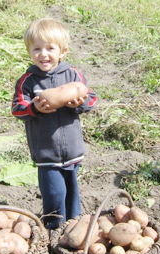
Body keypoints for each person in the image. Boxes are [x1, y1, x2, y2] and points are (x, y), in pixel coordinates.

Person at [12, 18, 98, 230]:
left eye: (50, 48)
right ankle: (53, 228)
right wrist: (34, 108)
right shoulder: (28, 81)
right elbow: (17, 108)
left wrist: (80, 103)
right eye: (37, 49)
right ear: (29, 51)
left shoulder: (73, 75)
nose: (43, 54)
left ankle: (73, 226)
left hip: (72, 149)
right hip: (46, 152)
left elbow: (92, 98)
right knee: (54, 192)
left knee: (71, 190)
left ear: (63, 52)